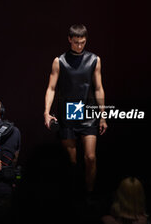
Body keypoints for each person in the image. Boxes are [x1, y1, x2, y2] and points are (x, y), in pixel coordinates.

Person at [44, 24, 108, 198]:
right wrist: (46, 111)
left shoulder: (95, 59)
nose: (79, 46)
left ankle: (89, 194)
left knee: (90, 157)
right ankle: (73, 195)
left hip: (88, 111)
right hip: (68, 112)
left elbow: (98, 87)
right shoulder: (60, 61)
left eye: (83, 42)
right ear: (69, 40)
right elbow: (51, 88)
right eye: (76, 42)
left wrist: (102, 115)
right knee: (71, 162)